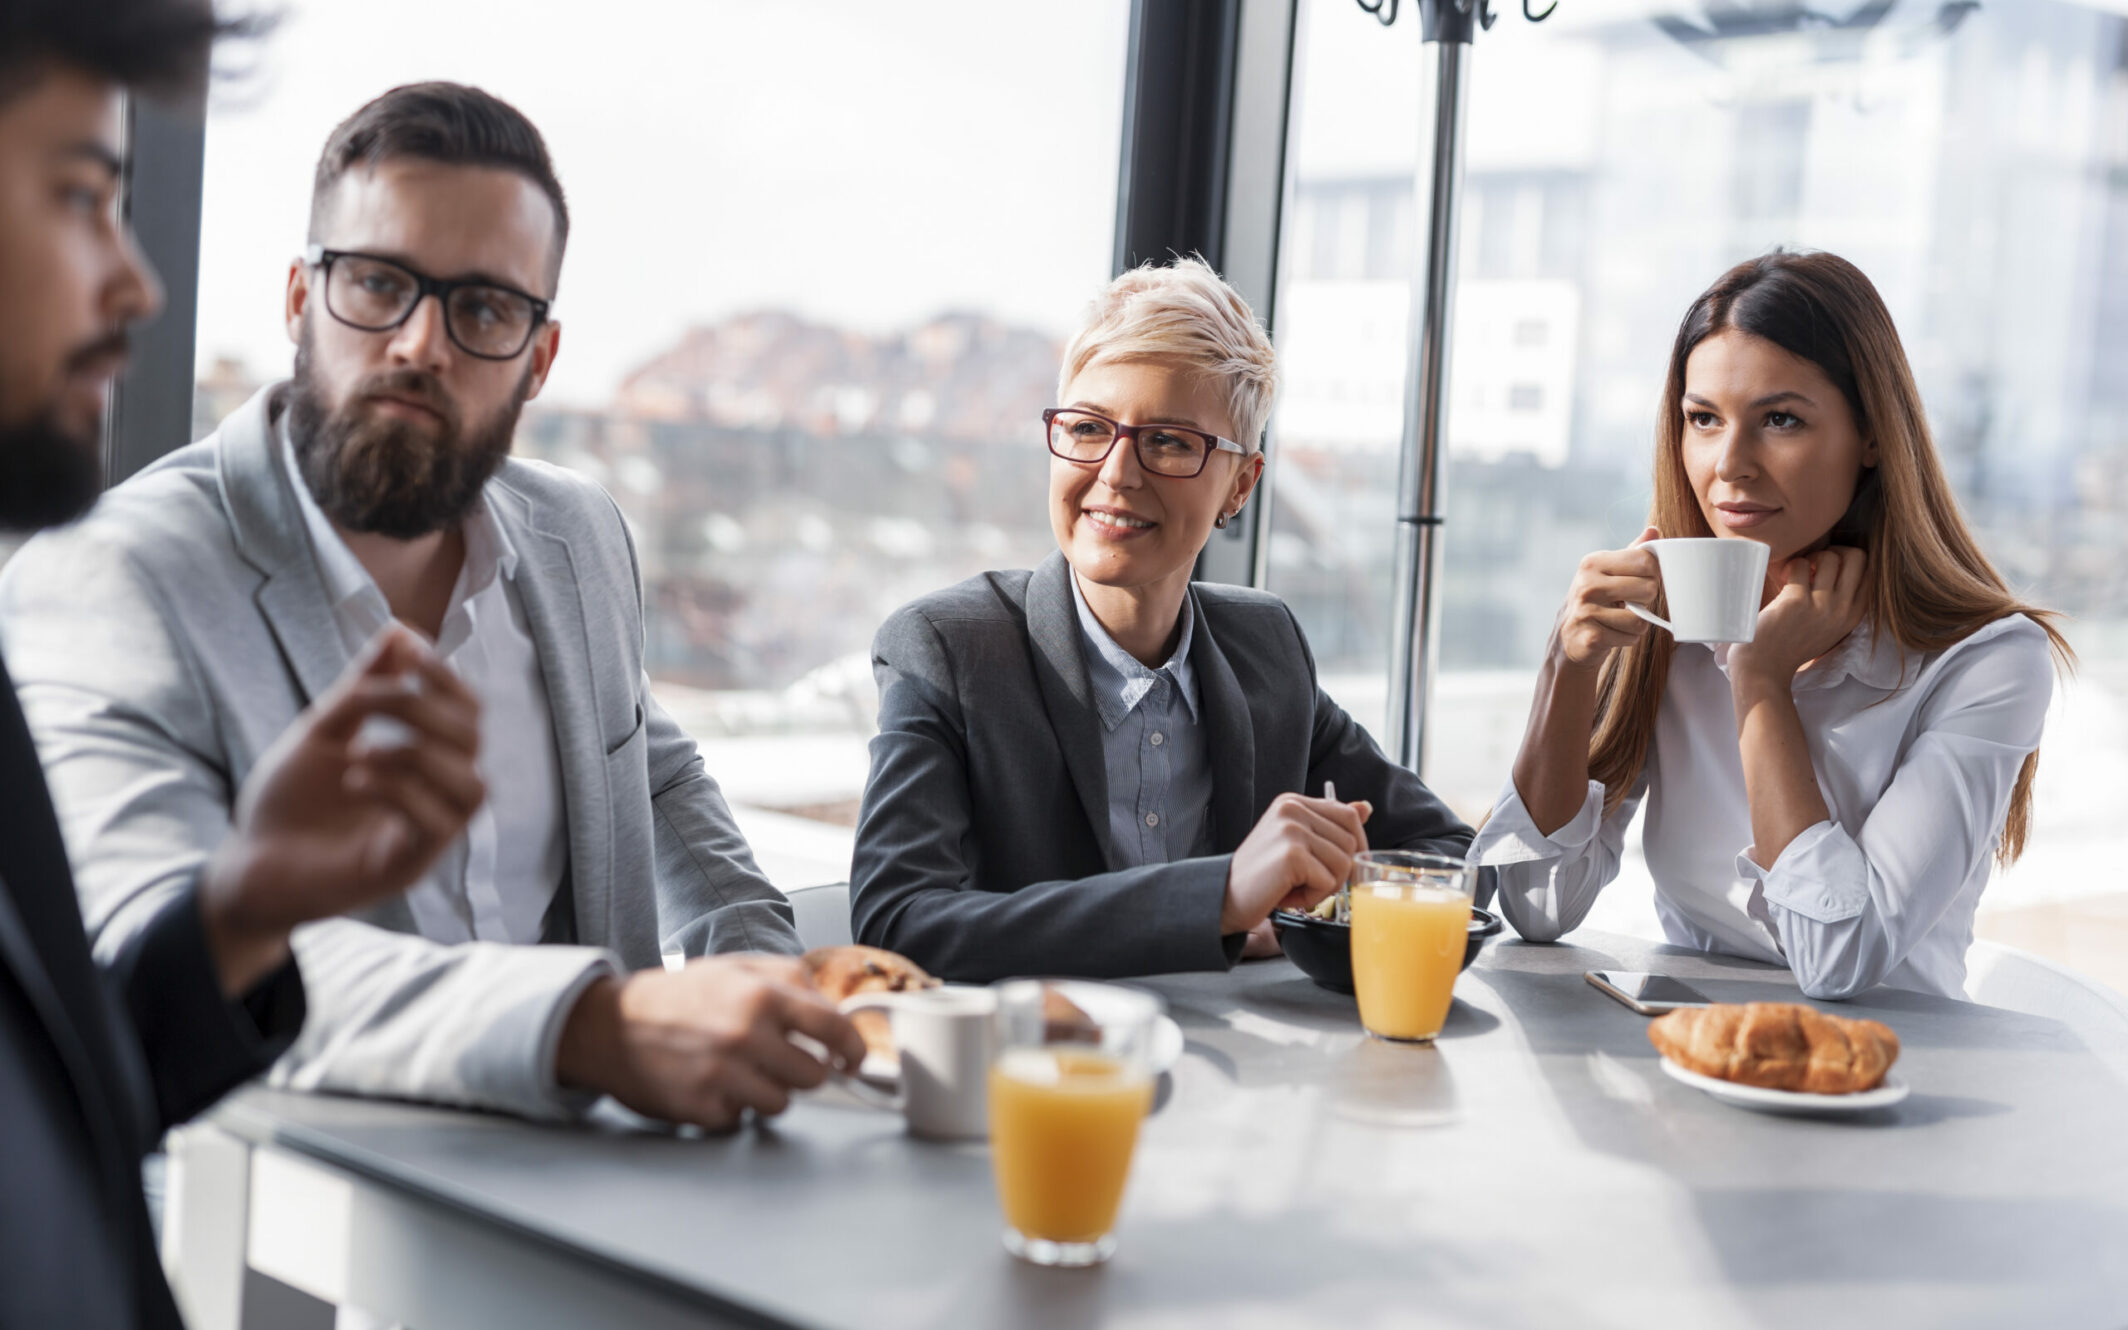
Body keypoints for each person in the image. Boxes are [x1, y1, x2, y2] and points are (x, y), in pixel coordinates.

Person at [0, 81, 865, 1133]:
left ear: (537, 360)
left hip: (628, 1185)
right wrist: (590, 1024)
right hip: (295, 1239)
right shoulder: (109, 576)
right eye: (377, 282)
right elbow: (150, 950)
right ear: (298, 300)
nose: (421, 343)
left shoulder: (579, 536)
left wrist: (762, 972)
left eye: (485, 308)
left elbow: (648, 767)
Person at [0, 5, 488, 1326]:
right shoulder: (104, 573)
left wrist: (239, 910)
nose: (136, 284)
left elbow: (59, 1131)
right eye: (79, 197)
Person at [851, 257, 1473, 982]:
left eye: (1170, 442)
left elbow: (1446, 856)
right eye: (1087, 428)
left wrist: (1312, 909)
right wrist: (1218, 901)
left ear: (1241, 484)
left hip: (1250, 1077)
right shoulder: (950, 650)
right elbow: (897, 923)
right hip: (1050, 1077)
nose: (1116, 472)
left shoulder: (1265, 648)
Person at [1475, 250, 2067, 1001]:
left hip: (1891, 1074)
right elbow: (1537, 906)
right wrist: (1568, 667)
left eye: (1780, 419)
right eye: (1703, 420)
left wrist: (1760, 684)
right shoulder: (1670, 611)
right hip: (1686, 1056)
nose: (1731, 465)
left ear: (1874, 436)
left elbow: (1838, 958)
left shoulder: (1989, 662)